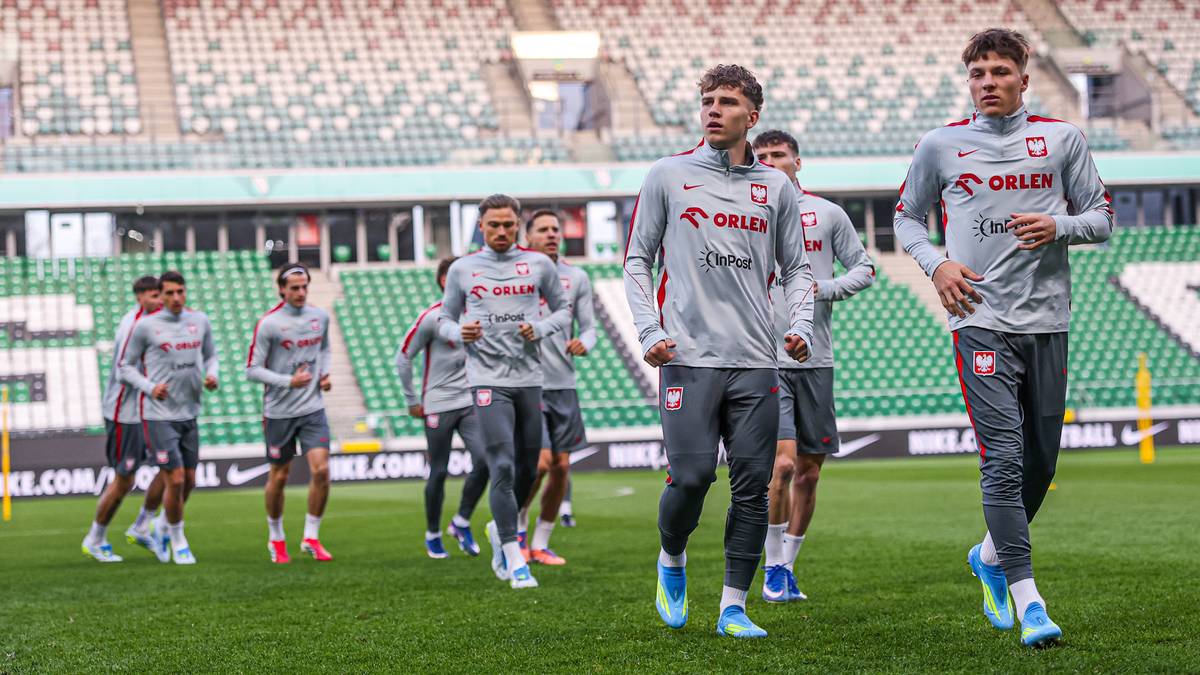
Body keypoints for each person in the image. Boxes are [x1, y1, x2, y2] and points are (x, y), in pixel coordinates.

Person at [893, 28, 1113, 647]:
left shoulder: (1062, 140)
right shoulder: (940, 145)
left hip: (1047, 318)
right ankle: (1029, 598)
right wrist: (936, 264)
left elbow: (1101, 219)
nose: (987, 83)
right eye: (977, 74)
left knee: (1041, 462)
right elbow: (906, 216)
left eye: (999, 72)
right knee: (1005, 458)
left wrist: (1058, 224)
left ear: (1023, 77)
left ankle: (989, 555)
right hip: (979, 318)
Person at [624, 64, 815, 638]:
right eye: (708, 100)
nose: (713, 109)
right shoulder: (668, 174)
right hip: (687, 357)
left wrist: (800, 322)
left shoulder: (776, 188)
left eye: (727, 102)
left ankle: (734, 605)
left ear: (751, 118)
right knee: (690, 479)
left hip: (757, 360)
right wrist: (648, 329)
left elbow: (799, 268)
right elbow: (638, 260)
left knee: (753, 486)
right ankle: (672, 559)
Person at [753, 129, 876, 602]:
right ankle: (771, 568)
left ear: (796, 162)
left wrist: (818, 289)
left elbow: (864, 269)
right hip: (765, 360)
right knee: (781, 466)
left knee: (809, 471)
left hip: (816, 358)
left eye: (777, 155)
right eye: (760, 155)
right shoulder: (744, 215)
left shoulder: (827, 214)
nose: (769, 161)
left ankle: (785, 566)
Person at [437, 194, 571, 589]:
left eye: (508, 225)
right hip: (486, 380)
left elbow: (563, 311)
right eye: (493, 225)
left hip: (529, 379)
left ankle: (501, 528)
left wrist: (542, 328)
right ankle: (516, 560)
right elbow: (444, 318)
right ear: (481, 226)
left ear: (517, 225)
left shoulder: (539, 265)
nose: (500, 231)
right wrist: (458, 332)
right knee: (502, 465)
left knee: (530, 470)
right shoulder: (463, 269)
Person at [119, 270, 219, 565]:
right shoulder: (146, 326)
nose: (176, 298)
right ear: (160, 295)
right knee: (174, 478)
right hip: (158, 415)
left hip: (190, 411)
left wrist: (212, 375)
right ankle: (178, 541)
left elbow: (211, 356)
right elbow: (125, 366)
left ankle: (159, 525)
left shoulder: (199, 321)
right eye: (170, 293)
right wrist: (150, 387)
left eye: (180, 292)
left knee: (189, 479)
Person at [396, 257, 489, 559]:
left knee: (486, 461)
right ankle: (432, 534)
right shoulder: (432, 318)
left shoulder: (480, 315)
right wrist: (412, 400)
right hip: (437, 403)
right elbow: (403, 356)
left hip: (470, 402)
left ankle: (460, 522)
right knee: (438, 471)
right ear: (442, 282)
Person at [517, 210, 596, 566]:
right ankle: (517, 532)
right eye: (543, 230)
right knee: (541, 464)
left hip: (563, 383)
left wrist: (585, 342)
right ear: (528, 236)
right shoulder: (514, 274)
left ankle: (540, 543)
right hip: (527, 383)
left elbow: (590, 328)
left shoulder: (575, 277)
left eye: (556, 230)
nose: (552, 235)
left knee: (562, 467)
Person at [245, 263, 335, 564]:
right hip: (279, 411)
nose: (300, 292)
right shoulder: (269, 324)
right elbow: (252, 370)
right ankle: (276, 538)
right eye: (294, 287)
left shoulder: (319, 317)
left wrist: (323, 374)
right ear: (281, 290)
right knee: (280, 476)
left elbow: (324, 349)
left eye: (304, 286)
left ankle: (311, 536)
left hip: (312, 408)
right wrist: (288, 381)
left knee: (321, 471)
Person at [81, 275, 169, 563]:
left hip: (150, 411)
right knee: (124, 479)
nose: (159, 300)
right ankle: (95, 538)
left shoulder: (161, 322)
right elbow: (124, 370)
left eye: (161, 295)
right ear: (140, 297)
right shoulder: (133, 325)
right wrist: (152, 387)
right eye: (154, 296)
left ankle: (144, 524)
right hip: (125, 413)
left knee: (172, 468)